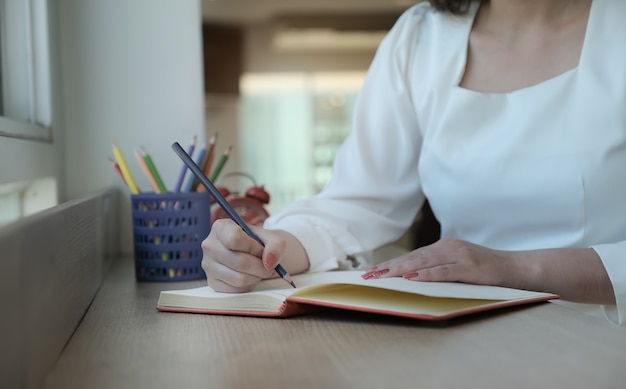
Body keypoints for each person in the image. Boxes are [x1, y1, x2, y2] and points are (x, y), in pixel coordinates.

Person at [201, 0, 626, 326]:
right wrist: (271, 246)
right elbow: (361, 201)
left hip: (604, 342)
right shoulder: (420, 36)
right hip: (470, 335)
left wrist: (516, 268)